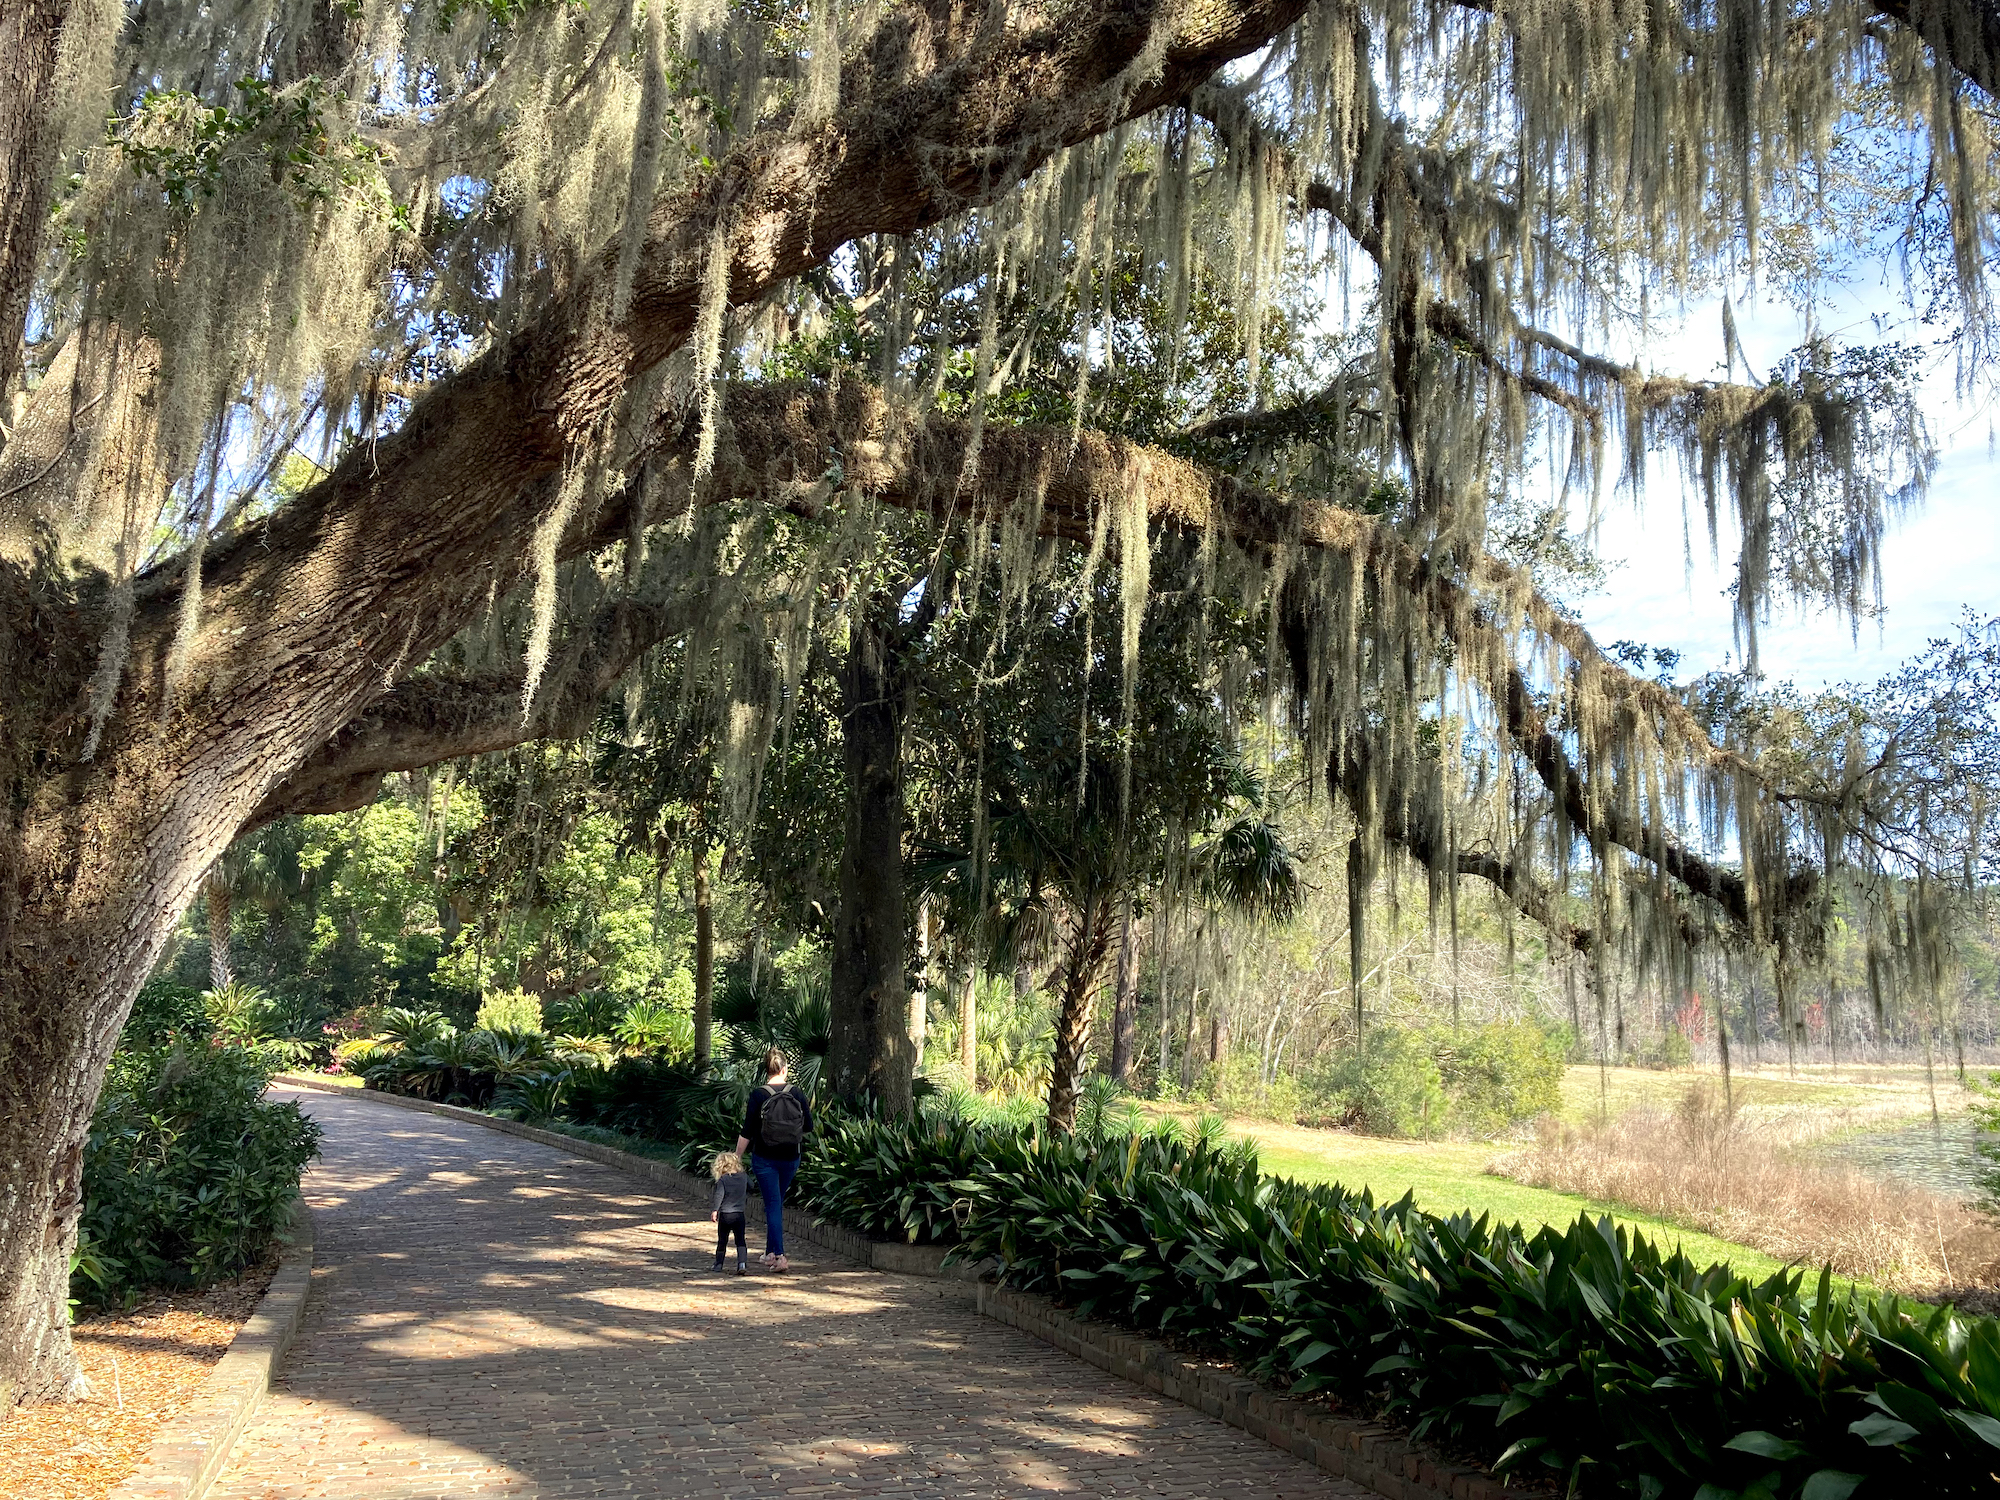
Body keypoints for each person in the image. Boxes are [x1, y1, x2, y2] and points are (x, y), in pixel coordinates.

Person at [736, 1048, 811, 1272]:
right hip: (791, 1157)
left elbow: (747, 1130)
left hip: (765, 1159)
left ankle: (779, 1256)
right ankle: (770, 1253)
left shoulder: (759, 1095)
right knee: (776, 1202)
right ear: (785, 1069)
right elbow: (808, 1126)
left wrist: (736, 1158)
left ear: (766, 1070)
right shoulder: (796, 1093)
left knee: (773, 1204)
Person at [709, 1150, 749, 1274]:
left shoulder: (723, 1180)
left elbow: (719, 1195)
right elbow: (752, 1186)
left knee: (722, 1240)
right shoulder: (743, 1177)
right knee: (740, 1240)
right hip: (739, 1214)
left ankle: (718, 1264)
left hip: (726, 1214)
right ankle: (742, 1264)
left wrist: (715, 1209)